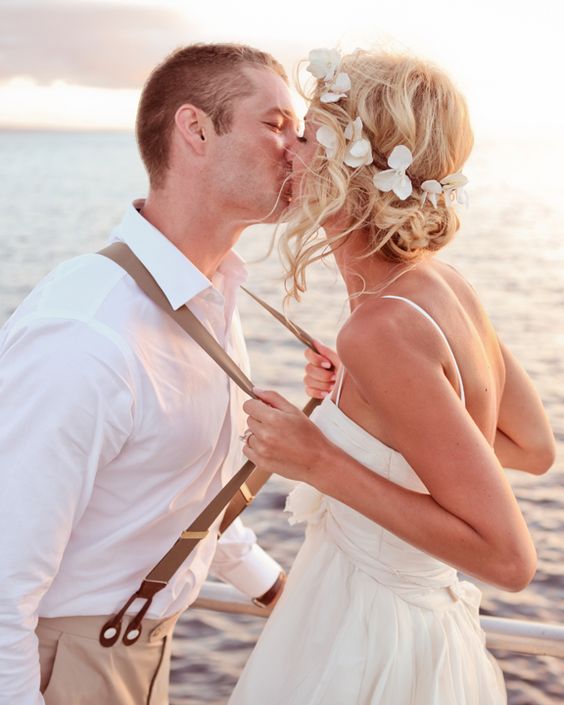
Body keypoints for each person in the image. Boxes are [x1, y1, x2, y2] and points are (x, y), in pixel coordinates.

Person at [228, 48, 556, 705]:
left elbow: (509, 558)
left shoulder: (380, 326)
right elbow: (532, 446)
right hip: (418, 631)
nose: (290, 149)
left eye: (308, 134)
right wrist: (376, 409)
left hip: (369, 643)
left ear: (357, 164)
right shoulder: (439, 280)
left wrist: (318, 457)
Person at [0, 43, 301, 705]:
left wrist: (278, 590)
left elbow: (182, 489)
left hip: (142, 650)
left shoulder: (214, 295)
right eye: (277, 124)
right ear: (195, 130)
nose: (300, 147)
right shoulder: (88, 331)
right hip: (60, 666)